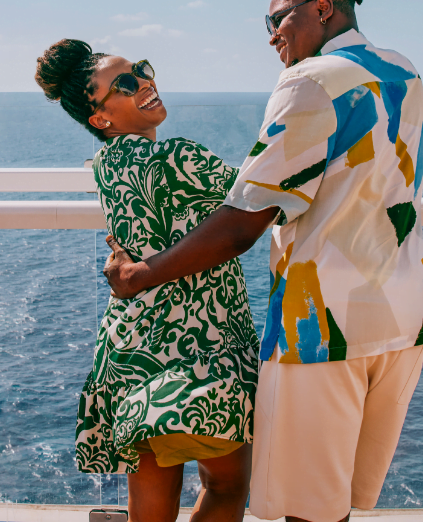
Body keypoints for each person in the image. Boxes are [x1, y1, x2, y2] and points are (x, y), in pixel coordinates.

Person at [105, 0, 423, 522]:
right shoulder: (402, 70)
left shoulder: (311, 79)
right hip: (404, 314)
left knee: (312, 512)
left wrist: (141, 275)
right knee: (340, 502)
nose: (271, 35)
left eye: (277, 19)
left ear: (323, 8)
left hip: (325, 326)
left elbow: (243, 220)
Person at [34, 41, 260, 522]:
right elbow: (262, 199)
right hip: (204, 346)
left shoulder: (104, 166)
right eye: (125, 84)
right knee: (226, 486)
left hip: (134, 352)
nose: (144, 82)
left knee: (150, 514)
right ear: (100, 118)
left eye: (141, 71)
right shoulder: (180, 158)